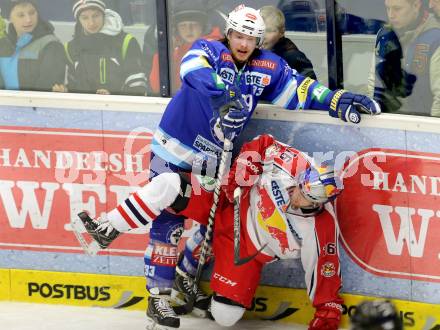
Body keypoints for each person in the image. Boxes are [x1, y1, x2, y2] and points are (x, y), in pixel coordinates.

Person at [76, 4, 381, 330]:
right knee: (169, 218)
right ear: (228, 33)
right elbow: (192, 71)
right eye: (238, 34)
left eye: (251, 37)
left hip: (211, 157)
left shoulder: (269, 66)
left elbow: (302, 91)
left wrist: (335, 100)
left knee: (208, 224)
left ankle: (180, 273)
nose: (243, 42)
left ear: (259, 40)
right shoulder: (207, 48)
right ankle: (157, 294)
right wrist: (223, 96)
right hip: (173, 143)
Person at [79, 134, 345, 330]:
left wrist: (327, 312)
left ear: (320, 204)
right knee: (169, 183)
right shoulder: (297, 164)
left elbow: (324, 271)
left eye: (305, 198)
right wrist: (243, 171)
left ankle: (188, 265)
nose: (294, 196)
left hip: (245, 252)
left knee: (226, 317)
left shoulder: (321, 229)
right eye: (299, 187)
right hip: (228, 203)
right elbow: (263, 144)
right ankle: (108, 227)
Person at [368, 0, 440, 116]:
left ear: (416, 5)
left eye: (397, 9)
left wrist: (431, 131)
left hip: (423, 123)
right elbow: (373, 84)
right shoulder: (385, 35)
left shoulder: (435, 38)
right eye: (388, 8)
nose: (391, 15)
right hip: (385, 120)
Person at [64, 0, 147, 95]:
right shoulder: (70, 48)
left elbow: (138, 86)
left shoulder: (126, 42)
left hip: (118, 107)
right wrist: (63, 91)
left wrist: (113, 97)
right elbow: (72, 86)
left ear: (104, 15)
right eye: (84, 18)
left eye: (96, 16)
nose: (91, 23)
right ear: (78, 20)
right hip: (84, 107)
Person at [147, 6, 222, 94]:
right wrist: (166, 52)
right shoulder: (175, 53)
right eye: (183, 26)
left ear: (203, 27)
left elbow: (220, 85)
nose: (189, 30)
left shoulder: (214, 51)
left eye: (194, 25)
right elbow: (157, 87)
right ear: (177, 30)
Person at [0, 0, 66, 92]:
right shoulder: (2, 45)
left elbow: (46, 90)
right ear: (9, 18)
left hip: (34, 105)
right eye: (21, 15)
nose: (28, 19)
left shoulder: (51, 45)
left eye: (32, 13)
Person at [260, 5, 317, 79]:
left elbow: (310, 88)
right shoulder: (251, 51)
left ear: (281, 32)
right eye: (260, 30)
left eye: (269, 31)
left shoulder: (294, 58)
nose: (263, 36)